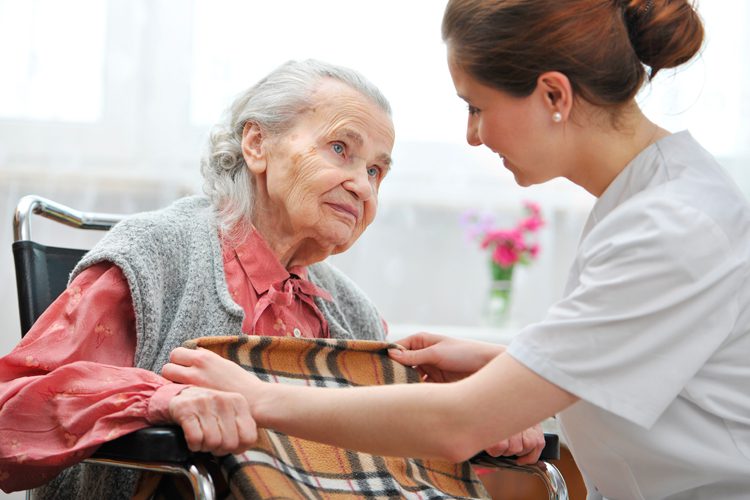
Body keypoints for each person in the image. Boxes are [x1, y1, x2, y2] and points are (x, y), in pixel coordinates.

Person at [162, 1, 750, 499]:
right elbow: (644, 358)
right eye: (339, 149)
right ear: (255, 144)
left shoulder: (671, 225)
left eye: (477, 107)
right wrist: (507, 363)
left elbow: (458, 423)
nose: (474, 135)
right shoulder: (648, 201)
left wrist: (259, 398)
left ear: (553, 96)